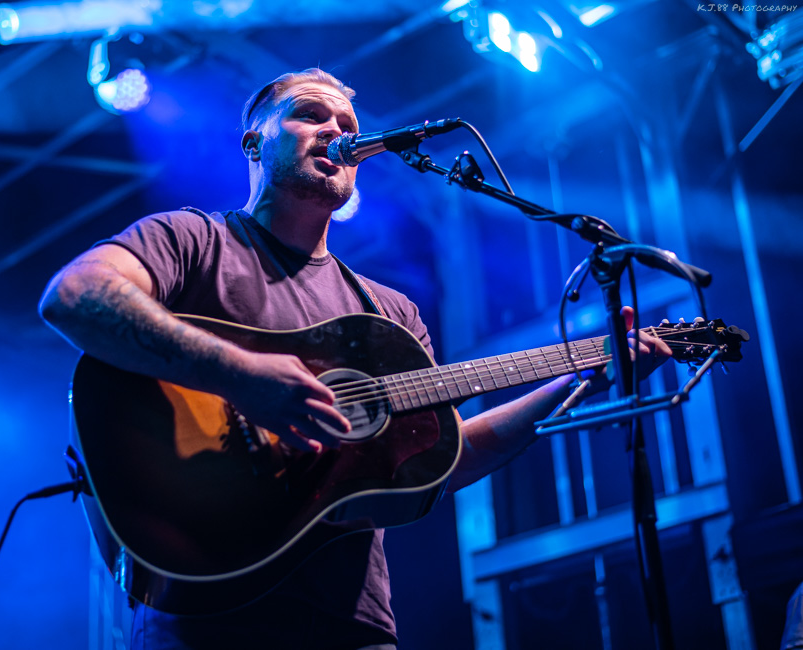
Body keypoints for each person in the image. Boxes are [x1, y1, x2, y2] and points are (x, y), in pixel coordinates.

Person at [40, 68, 671, 650]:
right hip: (204, 611)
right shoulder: (193, 241)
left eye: (348, 126)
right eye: (310, 115)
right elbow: (74, 297)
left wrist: (580, 380)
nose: (338, 131)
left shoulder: (390, 314)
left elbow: (445, 458)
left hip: (352, 626)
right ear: (254, 144)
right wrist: (238, 374)